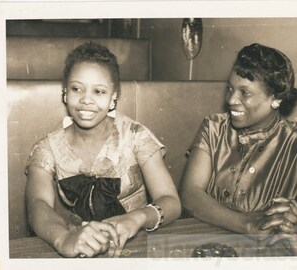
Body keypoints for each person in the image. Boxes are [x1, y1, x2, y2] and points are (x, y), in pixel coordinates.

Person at [25, 42, 181, 258]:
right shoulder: (47, 147)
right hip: (77, 245)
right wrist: (64, 238)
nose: (86, 100)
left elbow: (170, 201)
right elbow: (37, 206)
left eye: (99, 91)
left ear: (113, 97)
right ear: (64, 93)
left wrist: (136, 218)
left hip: (138, 243)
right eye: (76, 89)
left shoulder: (136, 136)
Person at [181, 43, 297, 256]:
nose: (231, 99)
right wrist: (248, 225)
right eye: (230, 88)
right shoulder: (214, 128)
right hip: (201, 247)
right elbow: (190, 194)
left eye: (244, 92)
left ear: (276, 99)